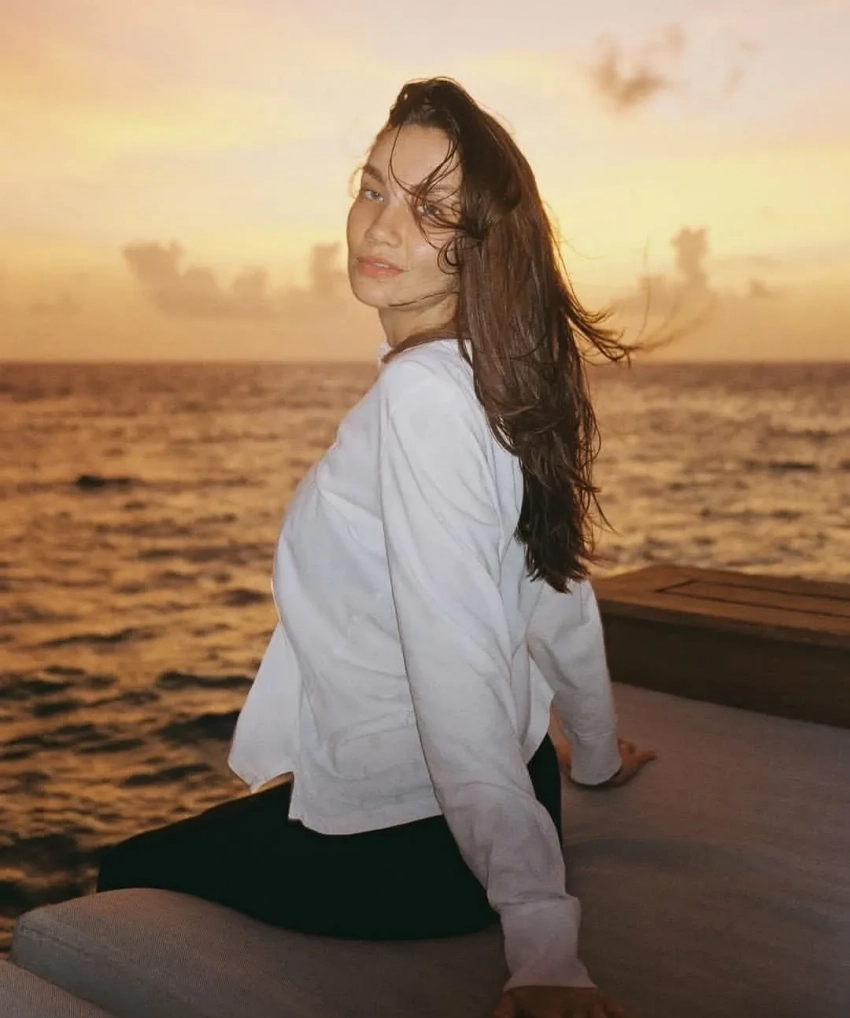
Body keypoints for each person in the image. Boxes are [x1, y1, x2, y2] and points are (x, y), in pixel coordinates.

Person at [97, 77, 657, 1018]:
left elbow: (456, 667)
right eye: (372, 188)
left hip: (418, 846)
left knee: (124, 871)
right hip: (517, 792)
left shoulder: (420, 401)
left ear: (479, 243)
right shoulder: (492, 375)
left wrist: (543, 945)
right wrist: (593, 755)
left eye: (429, 208)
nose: (380, 225)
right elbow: (555, 591)